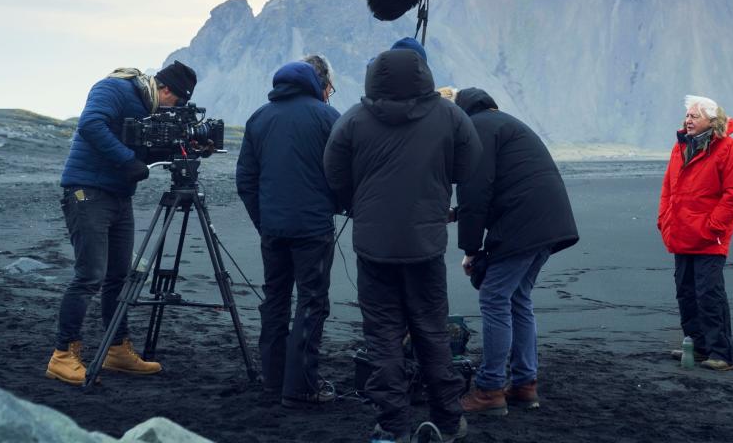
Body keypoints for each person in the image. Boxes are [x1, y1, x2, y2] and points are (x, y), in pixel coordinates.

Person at [323, 48, 482, 443]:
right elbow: (469, 167)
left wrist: (358, 205)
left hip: (374, 247)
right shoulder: (450, 117)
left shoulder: (354, 121)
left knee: (383, 337)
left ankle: (392, 424)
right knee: (431, 330)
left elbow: (334, 174)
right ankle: (447, 420)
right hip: (425, 245)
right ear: (424, 76)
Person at [46, 60, 197, 385]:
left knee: (119, 276)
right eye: (178, 102)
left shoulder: (154, 110)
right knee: (90, 275)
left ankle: (117, 350)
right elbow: (91, 125)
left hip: (118, 196)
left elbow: (149, 149)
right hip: (87, 191)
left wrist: (187, 148)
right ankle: (62, 356)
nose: (177, 109)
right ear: (166, 89)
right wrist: (128, 160)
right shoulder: (113, 88)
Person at [451, 88, 579, 414]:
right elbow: (501, 186)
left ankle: (489, 389)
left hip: (524, 224)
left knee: (494, 296)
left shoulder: (477, 128)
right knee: (518, 297)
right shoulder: (503, 125)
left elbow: (476, 190)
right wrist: (456, 215)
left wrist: (470, 249)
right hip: (548, 222)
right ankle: (524, 384)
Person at [235, 55, 341, 407]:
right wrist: (337, 204)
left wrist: (263, 220)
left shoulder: (259, 118)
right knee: (311, 302)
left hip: (274, 230)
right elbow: (344, 173)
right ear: (316, 83)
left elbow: (245, 180)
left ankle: (273, 380)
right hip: (313, 229)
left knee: (275, 301)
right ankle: (300, 387)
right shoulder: (327, 117)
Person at [657, 94, 733, 371]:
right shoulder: (680, 148)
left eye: (694, 116)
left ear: (712, 119)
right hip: (681, 233)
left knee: (709, 294)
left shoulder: (730, 148)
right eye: (687, 116)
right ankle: (696, 347)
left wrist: (713, 226)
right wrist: (665, 220)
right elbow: (668, 188)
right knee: (685, 292)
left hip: (709, 237)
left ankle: (721, 353)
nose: (688, 120)